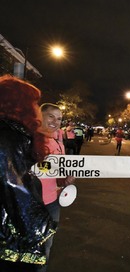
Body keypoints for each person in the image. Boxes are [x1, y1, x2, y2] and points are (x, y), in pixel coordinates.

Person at [0, 75, 57, 271]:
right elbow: (13, 185)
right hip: (11, 239)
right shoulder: (8, 137)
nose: (37, 108)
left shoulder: (14, 134)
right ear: (20, 105)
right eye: (34, 102)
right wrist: (40, 228)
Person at [38, 103, 75, 272]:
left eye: (59, 118)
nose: (55, 121)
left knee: (47, 244)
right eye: (51, 116)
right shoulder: (28, 138)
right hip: (30, 201)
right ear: (40, 116)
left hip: (53, 201)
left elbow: (59, 173)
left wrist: (66, 179)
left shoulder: (58, 142)